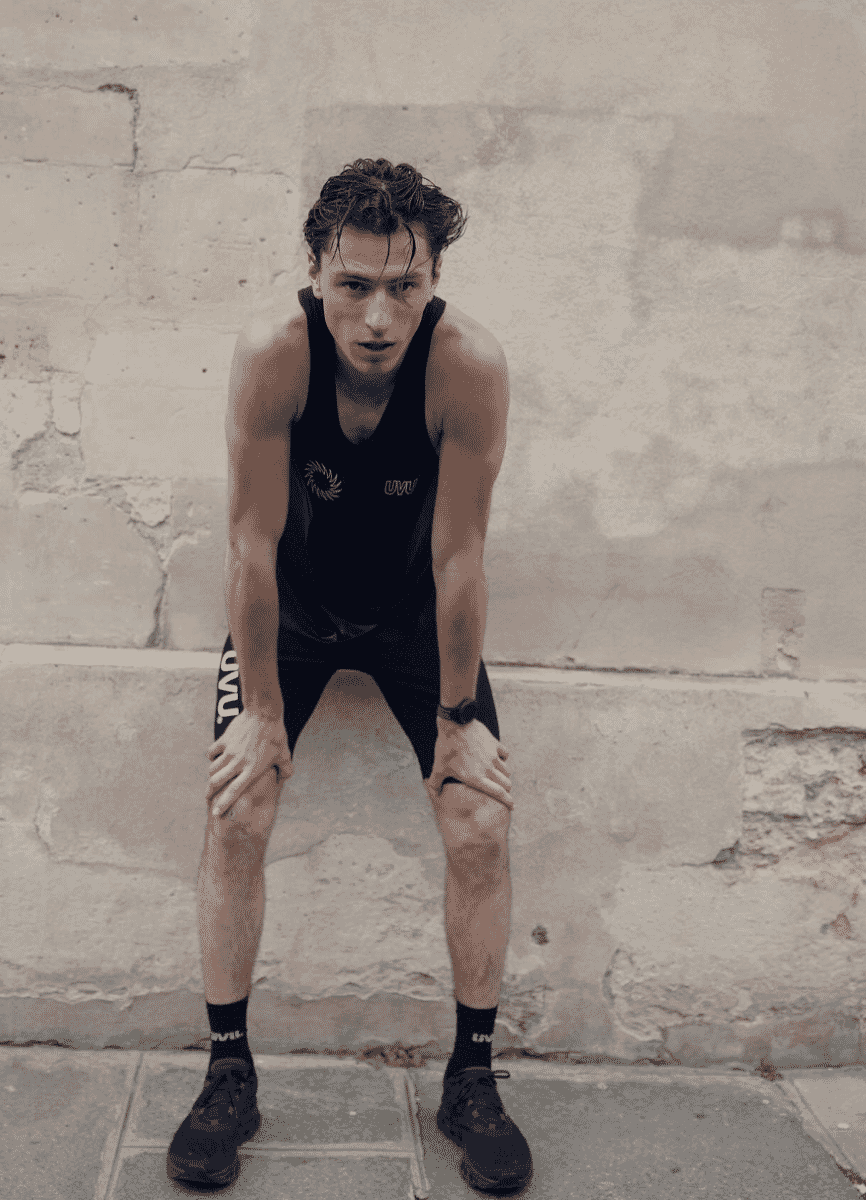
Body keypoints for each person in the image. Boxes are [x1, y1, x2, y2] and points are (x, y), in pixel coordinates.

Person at [168, 158, 533, 1193]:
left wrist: (459, 716)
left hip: (415, 618)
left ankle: (470, 1080)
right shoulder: (273, 356)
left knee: (479, 822)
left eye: (403, 288)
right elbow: (247, 545)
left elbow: (460, 555)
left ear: (434, 281)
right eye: (352, 286)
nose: (377, 316)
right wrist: (263, 714)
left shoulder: (467, 365)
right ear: (316, 274)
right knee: (235, 810)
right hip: (291, 610)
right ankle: (226, 1072)